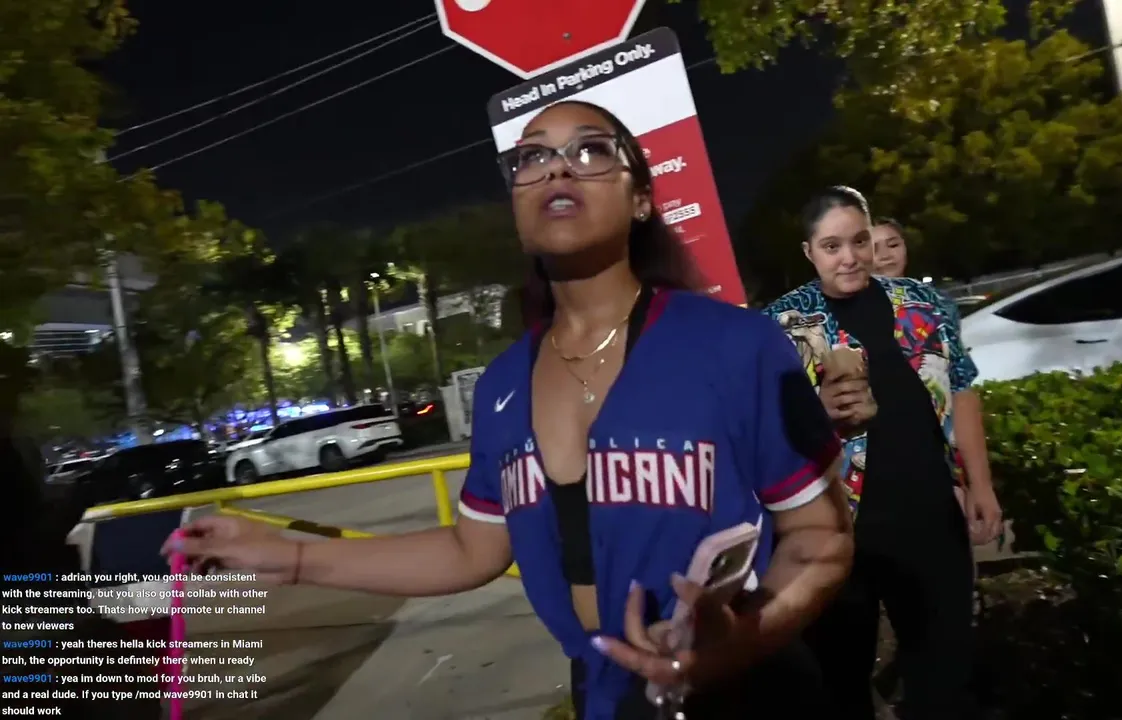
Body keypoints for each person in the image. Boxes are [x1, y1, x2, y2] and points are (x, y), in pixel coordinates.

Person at [164, 100, 854, 720]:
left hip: (752, 691)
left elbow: (820, 541)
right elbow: (471, 550)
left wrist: (736, 644)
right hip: (605, 697)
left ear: (641, 198)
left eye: (591, 150)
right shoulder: (501, 387)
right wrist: (288, 558)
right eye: (531, 157)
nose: (557, 168)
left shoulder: (735, 345)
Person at [763, 186, 1003, 720]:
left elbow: (961, 388)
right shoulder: (781, 324)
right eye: (831, 247)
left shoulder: (923, 304)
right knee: (841, 684)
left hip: (930, 518)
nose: (849, 257)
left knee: (944, 679)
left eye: (859, 241)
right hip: (835, 530)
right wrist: (818, 414)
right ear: (808, 252)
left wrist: (980, 484)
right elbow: (764, 431)